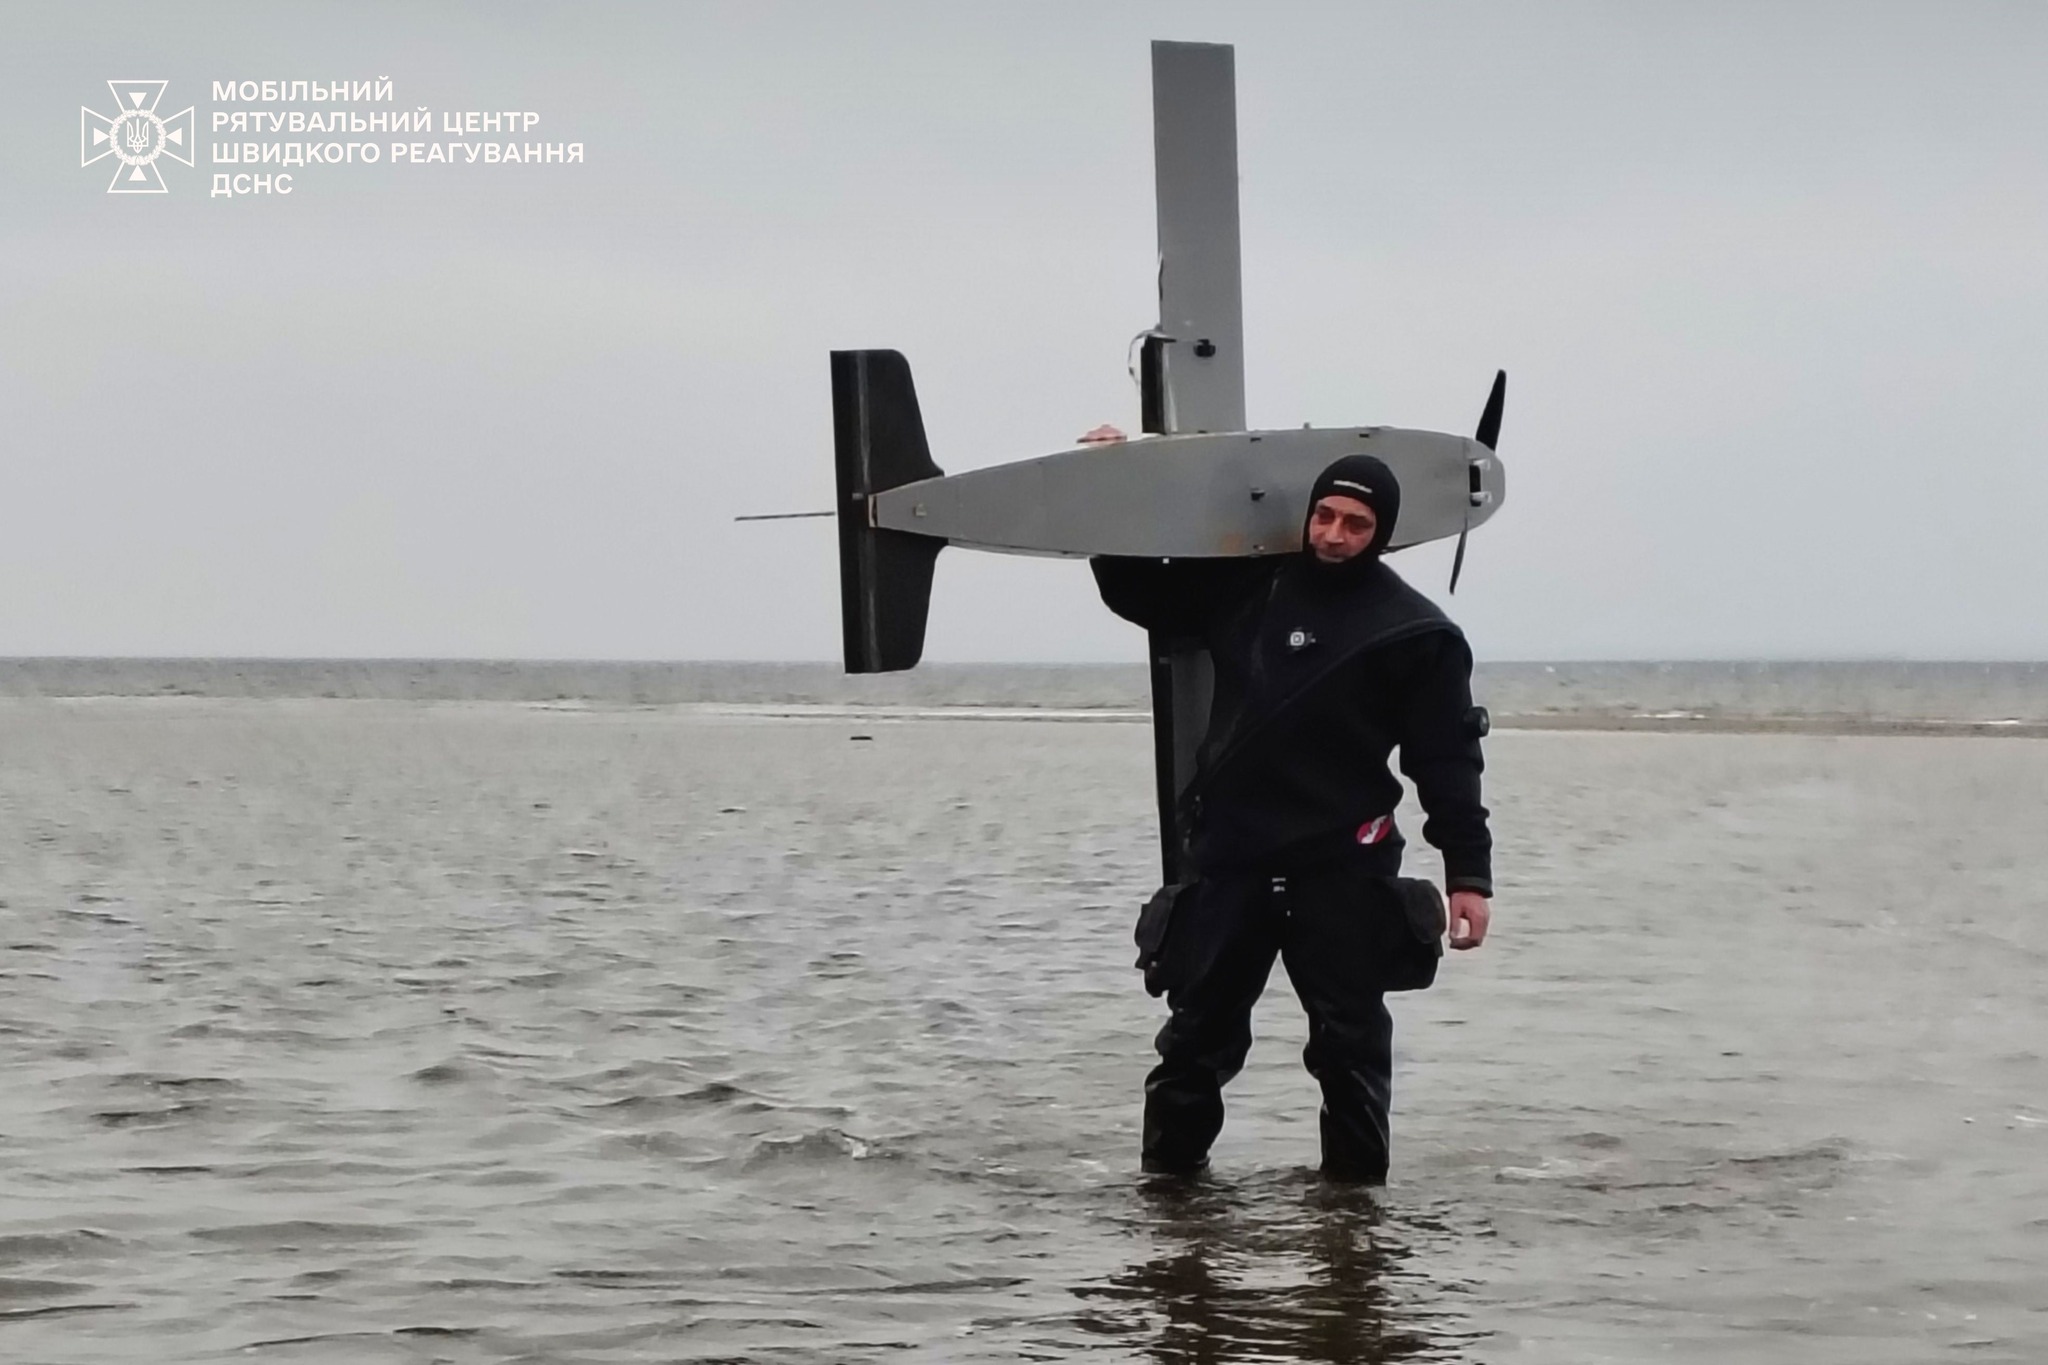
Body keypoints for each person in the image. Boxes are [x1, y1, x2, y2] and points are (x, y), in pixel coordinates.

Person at [1092, 453, 1493, 1183]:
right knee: (1194, 1044)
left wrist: (1468, 872)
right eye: (1325, 516)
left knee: (1351, 1050)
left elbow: (1446, 761)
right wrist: (1116, 476)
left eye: (1357, 524)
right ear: (1308, 513)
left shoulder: (1413, 632)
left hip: (1342, 867)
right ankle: (1168, 1212)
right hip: (1232, 861)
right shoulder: (1249, 587)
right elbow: (1136, 591)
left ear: (1383, 532)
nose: (1335, 534)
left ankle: (1356, 1220)